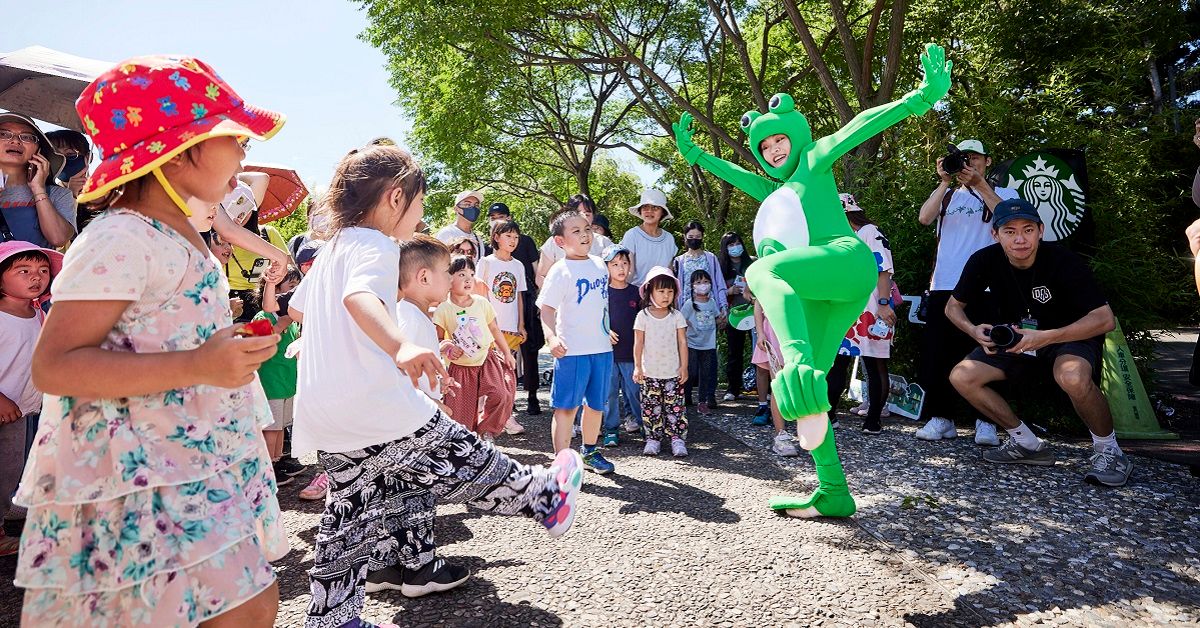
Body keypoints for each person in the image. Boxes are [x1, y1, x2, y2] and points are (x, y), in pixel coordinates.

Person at [15, 55, 288, 626]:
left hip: (185, 454)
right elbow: (56, 366)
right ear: (180, 150)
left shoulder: (181, 232)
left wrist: (228, 346)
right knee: (239, 608)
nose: (244, 152)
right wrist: (199, 362)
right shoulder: (120, 236)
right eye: (232, 138)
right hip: (137, 469)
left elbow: (164, 329)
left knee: (241, 605)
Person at [288, 144, 583, 628]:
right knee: (459, 451)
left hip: (326, 408)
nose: (422, 214)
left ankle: (333, 617)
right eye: (421, 203)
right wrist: (399, 344)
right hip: (376, 404)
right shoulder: (376, 245)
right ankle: (541, 495)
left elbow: (302, 310)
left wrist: (328, 341)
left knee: (349, 513)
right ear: (395, 198)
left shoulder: (331, 249)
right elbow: (358, 296)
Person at [945, 198, 1130, 486]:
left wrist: (1047, 336)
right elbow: (952, 307)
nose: (1020, 239)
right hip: (1018, 341)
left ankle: (1110, 451)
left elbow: (1105, 319)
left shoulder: (1064, 260)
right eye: (1009, 231)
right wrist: (972, 330)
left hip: (1068, 337)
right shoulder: (984, 259)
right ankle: (1025, 443)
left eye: (1028, 229)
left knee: (1072, 376)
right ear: (995, 234)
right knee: (962, 376)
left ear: (1041, 231)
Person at [914, 139, 1020, 445]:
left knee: (989, 349)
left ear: (987, 161)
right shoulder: (947, 196)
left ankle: (986, 422)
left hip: (989, 285)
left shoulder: (1004, 193)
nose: (967, 164)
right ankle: (941, 418)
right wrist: (944, 182)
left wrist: (980, 184)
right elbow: (924, 218)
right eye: (961, 159)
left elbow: (1008, 218)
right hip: (945, 283)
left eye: (973, 158)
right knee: (938, 353)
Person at [536, 208, 615, 474]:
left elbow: (600, 305)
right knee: (566, 407)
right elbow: (546, 309)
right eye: (576, 231)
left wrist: (608, 329)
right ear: (560, 241)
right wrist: (551, 336)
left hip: (602, 349)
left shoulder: (600, 265)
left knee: (595, 405)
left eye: (587, 229)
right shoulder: (561, 270)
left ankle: (590, 452)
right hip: (572, 351)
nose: (585, 235)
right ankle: (562, 463)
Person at [0, 241, 61, 556]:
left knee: (11, 466)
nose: (36, 277)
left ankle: (8, 507)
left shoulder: (37, 311)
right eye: (23, 270)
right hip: (4, 406)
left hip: (20, 409)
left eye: (42, 270)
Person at [824, 193, 897, 434]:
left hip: (873, 308)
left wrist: (884, 304)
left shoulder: (869, 231)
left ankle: (874, 419)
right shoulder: (837, 239)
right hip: (845, 309)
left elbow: (883, 269)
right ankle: (829, 414)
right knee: (837, 363)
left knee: (875, 363)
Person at [433, 255, 518, 441]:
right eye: (462, 274)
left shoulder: (482, 302)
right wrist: (448, 347)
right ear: (448, 279)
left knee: (501, 395)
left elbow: (494, 329)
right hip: (461, 367)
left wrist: (506, 353)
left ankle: (486, 430)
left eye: (471, 274)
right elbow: (438, 339)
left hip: (487, 359)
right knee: (460, 414)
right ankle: (466, 445)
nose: (468, 279)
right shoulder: (443, 309)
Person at [486, 202, 544, 415]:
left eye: (502, 216)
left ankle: (532, 395)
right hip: (495, 310)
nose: (498, 219)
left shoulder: (526, 241)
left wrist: (539, 301)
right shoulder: (486, 253)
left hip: (526, 300)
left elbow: (537, 272)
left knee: (530, 349)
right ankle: (500, 404)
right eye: (493, 217)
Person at [475, 218, 529, 434]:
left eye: (516, 237)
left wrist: (521, 324)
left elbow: (519, 297)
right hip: (489, 328)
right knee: (487, 376)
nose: (513, 240)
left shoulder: (518, 265)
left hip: (511, 330)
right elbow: (480, 294)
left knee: (508, 375)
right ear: (496, 238)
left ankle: (506, 416)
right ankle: (480, 419)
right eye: (508, 236)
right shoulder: (485, 263)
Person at [255, 268, 305, 483]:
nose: (294, 292)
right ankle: (267, 467)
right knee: (271, 428)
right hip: (271, 383)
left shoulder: (292, 320)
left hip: (286, 383)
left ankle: (278, 461)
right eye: (290, 287)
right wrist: (278, 326)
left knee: (282, 426)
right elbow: (254, 343)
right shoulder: (262, 316)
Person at [633, 266, 689, 456]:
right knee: (650, 408)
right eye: (661, 291)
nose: (666, 295)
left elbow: (682, 342)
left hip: (673, 372)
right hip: (650, 373)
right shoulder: (643, 316)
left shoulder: (676, 316)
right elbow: (638, 343)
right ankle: (653, 438)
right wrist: (638, 367)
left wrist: (684, 366)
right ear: (650, 291)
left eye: (670, 291)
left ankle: (677, 439)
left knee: (676, 408)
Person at [397, 234, 455, 415]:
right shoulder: (410, 319)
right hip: (415, 416)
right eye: (447, 272)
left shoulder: (416, 315)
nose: (451, 279)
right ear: (424, 278)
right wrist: (431, 402)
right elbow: (395, 374)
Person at [0, 112, 75, 248]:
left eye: (26, 137)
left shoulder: (59, 194)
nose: (15, 141)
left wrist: (38, 190)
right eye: (3, 134)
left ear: (38, 151)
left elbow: (58, 239)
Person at [222, 180, 290, 321]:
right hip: (233, 302)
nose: (240, 216)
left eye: (245, 209)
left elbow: (289, 269)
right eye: (232, 209)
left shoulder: (268, 233)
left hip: (266, 298)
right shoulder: (220, 237)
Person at [748, 294, 801, 457]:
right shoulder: (769, 271)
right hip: (773, 332)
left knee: (800, 384)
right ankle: (781, 435)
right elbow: (759, 301)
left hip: (799, 331)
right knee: (779, 384)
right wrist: (760, 332)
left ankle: (806, 433)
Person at [601, 244, 642, 446]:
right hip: (607, 353)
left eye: (624, 263)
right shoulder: (601, 292)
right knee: (609, 394)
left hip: (632, 353)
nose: (620, 268)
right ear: (606, 267)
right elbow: (593, 318)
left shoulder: (636, 292)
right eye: (615, 264)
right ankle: (611, 429)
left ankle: (644, 425)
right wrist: (604, 331)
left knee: (635, 391)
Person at [535, 194, 613, 287]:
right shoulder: (553, 242)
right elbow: (540, 277)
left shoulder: (604, 243)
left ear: (593, 216)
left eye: (587, 214)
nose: (583, 217)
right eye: (578, 213)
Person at [718, 231, 754, 401]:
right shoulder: (721, 268)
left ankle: (764, 388)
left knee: (759, 350)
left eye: (737, 243)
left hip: (754, 313)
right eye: (730, 245)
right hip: (734, 314)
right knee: (735, 352)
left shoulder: (753, 263)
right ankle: (733, 389)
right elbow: (715, 291)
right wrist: (729, 291)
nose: (735, 247)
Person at [682, 268, 721, 414]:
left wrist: (722, 320)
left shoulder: (711, 302)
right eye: (699, 282)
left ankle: (702, 401)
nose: (703, 285)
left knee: (705, 373)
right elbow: (681, 318)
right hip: (692, 343)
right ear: (692, 285)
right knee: (691, 372)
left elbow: (716, 318)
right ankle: (685, 396)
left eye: (705, 282)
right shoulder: (689, 304)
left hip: (708, 344)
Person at [620, 188, 677, 285]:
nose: (649, 211)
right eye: (645, 207)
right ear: (640, 210)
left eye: (655, 208)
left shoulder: (669, 239)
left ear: (662, 212)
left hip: (662, 295)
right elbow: (629, 271)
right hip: (636, 294)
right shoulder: (632, 235)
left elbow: (669, 271)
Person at [673, 220, 729, 311]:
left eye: (698, 237)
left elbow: (720, 284)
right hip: (686, 310)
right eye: (691, 237)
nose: (694, 240)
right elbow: (676, 290)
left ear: (702, 237)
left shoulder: (711, 258)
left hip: (710, 307)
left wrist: (723, 306)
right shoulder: (679, 261)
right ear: (685, 237)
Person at [434, 189, 484, 259]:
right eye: (467, 204)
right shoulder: (446, 233)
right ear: (456, 208)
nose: (473, 208)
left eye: (476, 205)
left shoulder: (478, 240)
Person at [45, 129, 91, 198]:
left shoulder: (105, 191)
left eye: (70, 154)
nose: (63, 160)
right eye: (56, 156)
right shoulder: (46, 195)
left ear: (88, 157)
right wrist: (71, 194)